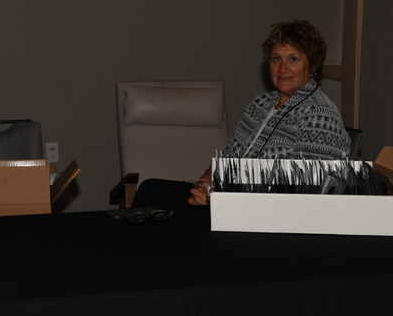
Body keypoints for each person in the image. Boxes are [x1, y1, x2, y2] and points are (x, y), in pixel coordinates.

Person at [130, 20, 350, 211]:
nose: (282, 68)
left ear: (312, 65)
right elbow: (230, 155)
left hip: (265, 216)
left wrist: (219, 200)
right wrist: (209, 179)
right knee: (151, 190)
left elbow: (307, 191)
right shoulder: (261, 104)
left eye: (293, 59)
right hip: (230, 199)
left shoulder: (319, 114)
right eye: (276, 59)